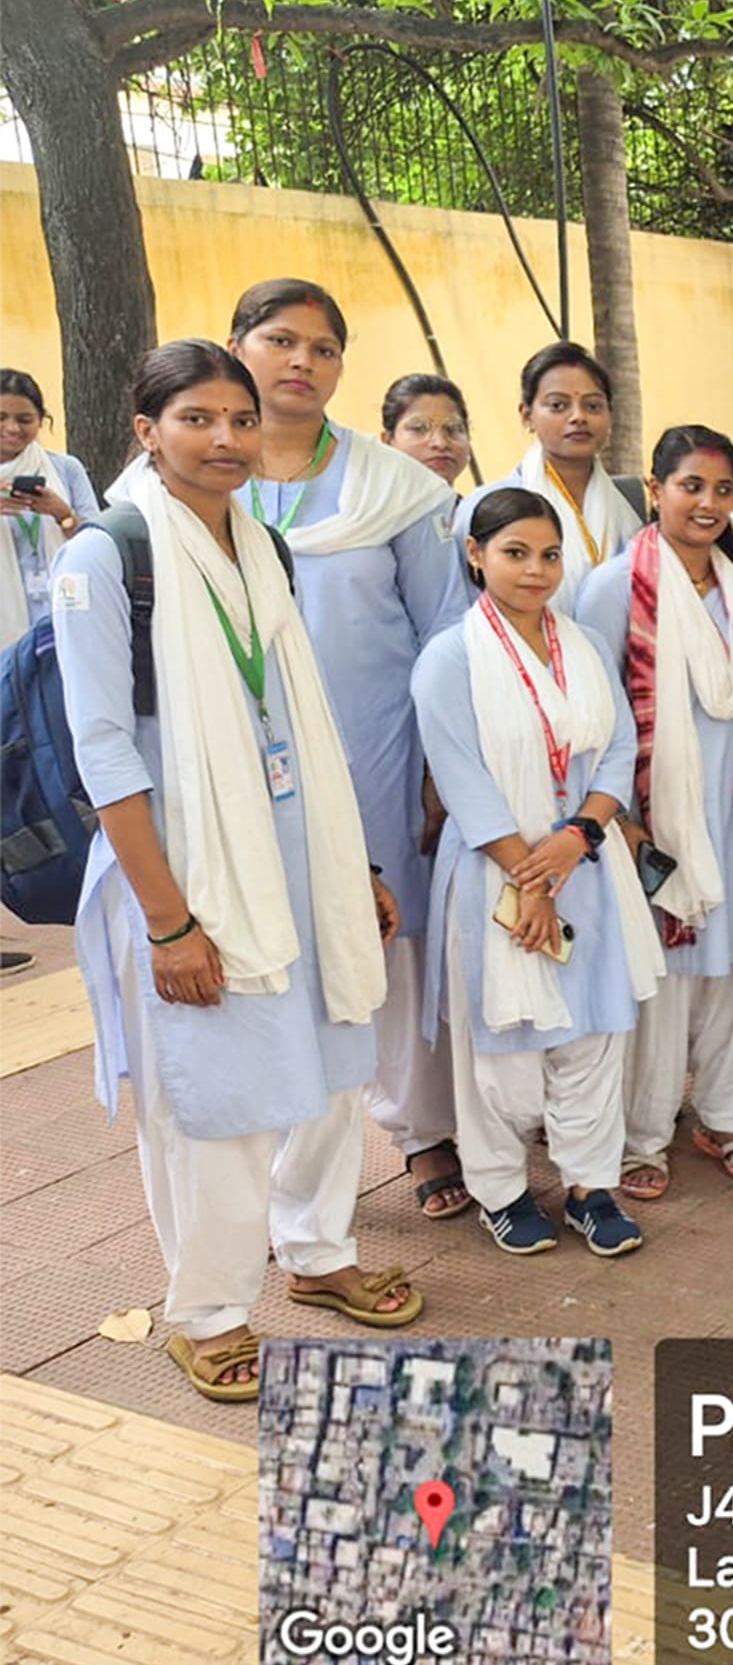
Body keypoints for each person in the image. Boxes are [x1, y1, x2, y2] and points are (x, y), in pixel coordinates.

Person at [55, 341, 419, 1403]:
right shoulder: (105, 558)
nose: (225, 438)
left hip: (298, 854)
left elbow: (300, 722)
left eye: (240, 419)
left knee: (331, 1070)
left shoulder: (264, 545)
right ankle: (206, 1311)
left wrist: (353, 867)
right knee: (219, 1099)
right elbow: (104, 753)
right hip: (188, 867)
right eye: (197, 418)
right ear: (146, 432)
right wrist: (168, 922)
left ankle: (318, 1254)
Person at [205, 281, 475, 1225]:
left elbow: (446, 634)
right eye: (281, 340)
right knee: (260, 949)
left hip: (374, 755)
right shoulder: (195, 478)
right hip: (235, 763)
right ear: (237, 344)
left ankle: (420, 1125)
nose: (302, 363)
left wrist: (440, 770)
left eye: (324, 349)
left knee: (389, 947)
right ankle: (274, 1159)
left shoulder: (393, 488)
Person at [413, 487, 661, 1256]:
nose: (535, 570)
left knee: (594, 1032)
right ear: (475, 554)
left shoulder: (582, 645)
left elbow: (617, 748)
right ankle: (503, 1190)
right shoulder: (449, 658)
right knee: (504, 1048)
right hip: (496, 875)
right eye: (515, 553)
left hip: (585, 863)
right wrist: (531, 879)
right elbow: (460, 779)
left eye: (549, 555)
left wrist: (580, 834)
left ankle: (590, 1187)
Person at [577, 425, 733, 1197]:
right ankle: (643, 1137)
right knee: (660, 975)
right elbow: (596, 709)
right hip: (652, 812)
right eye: (691, 485)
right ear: (654, 490)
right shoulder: (613, 587)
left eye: (722, 489)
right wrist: (623, 819)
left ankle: (731, 1119)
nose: (707, 503)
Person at [468, 344, 641, 600]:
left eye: (593, 406)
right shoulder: (486, 506)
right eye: (558, 405)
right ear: (527, 416)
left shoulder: (630, 504)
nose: (578, 417)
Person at [1, 368, 99, 652]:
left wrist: (63, 515)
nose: (12, 429)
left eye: (24, 419)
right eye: (1, 418)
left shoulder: (65, 470)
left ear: (41, 420)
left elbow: (98, 547)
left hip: (62, 620)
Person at [382, 373, 475, 491]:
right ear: (388, 442)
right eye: (418, 428)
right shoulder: (367, 502)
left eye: (453, 429)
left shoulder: (483, 501)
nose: (441, 443)